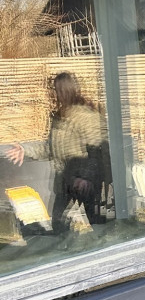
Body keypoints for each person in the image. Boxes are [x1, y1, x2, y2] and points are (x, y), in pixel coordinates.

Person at [4, 72, 108, 230]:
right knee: (58, 225)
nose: (52, 95)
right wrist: (25, 150)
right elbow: (50, 148)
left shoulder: (86, 116)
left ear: (66, 91)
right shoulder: (60, 117)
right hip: (65, 182)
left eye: (55, 91)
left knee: (97, 226)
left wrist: (85, 177)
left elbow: (99, 150)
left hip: (85, 184)